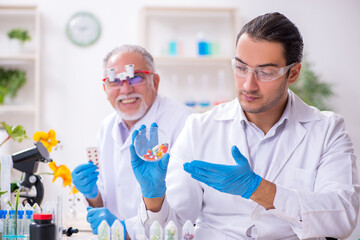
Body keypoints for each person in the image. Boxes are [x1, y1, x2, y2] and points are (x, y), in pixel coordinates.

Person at [130, 12, 360, 239]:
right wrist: (154, 199)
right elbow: (176, 227)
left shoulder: (327, 130)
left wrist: (259, 189)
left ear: (294, 73)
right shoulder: (199, 128)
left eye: (265, 72)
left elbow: (343, 217)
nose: (249, 85)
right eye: (241, 68)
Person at [71, 44, 193, 237]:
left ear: (155, 81)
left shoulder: (184, 123)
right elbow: (105, 203)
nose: (126, 90)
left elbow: (185, 211)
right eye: (114, 81)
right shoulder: (107, 126)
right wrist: (92, 194)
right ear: (105, 88)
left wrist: (125, 228)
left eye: (136, 77)